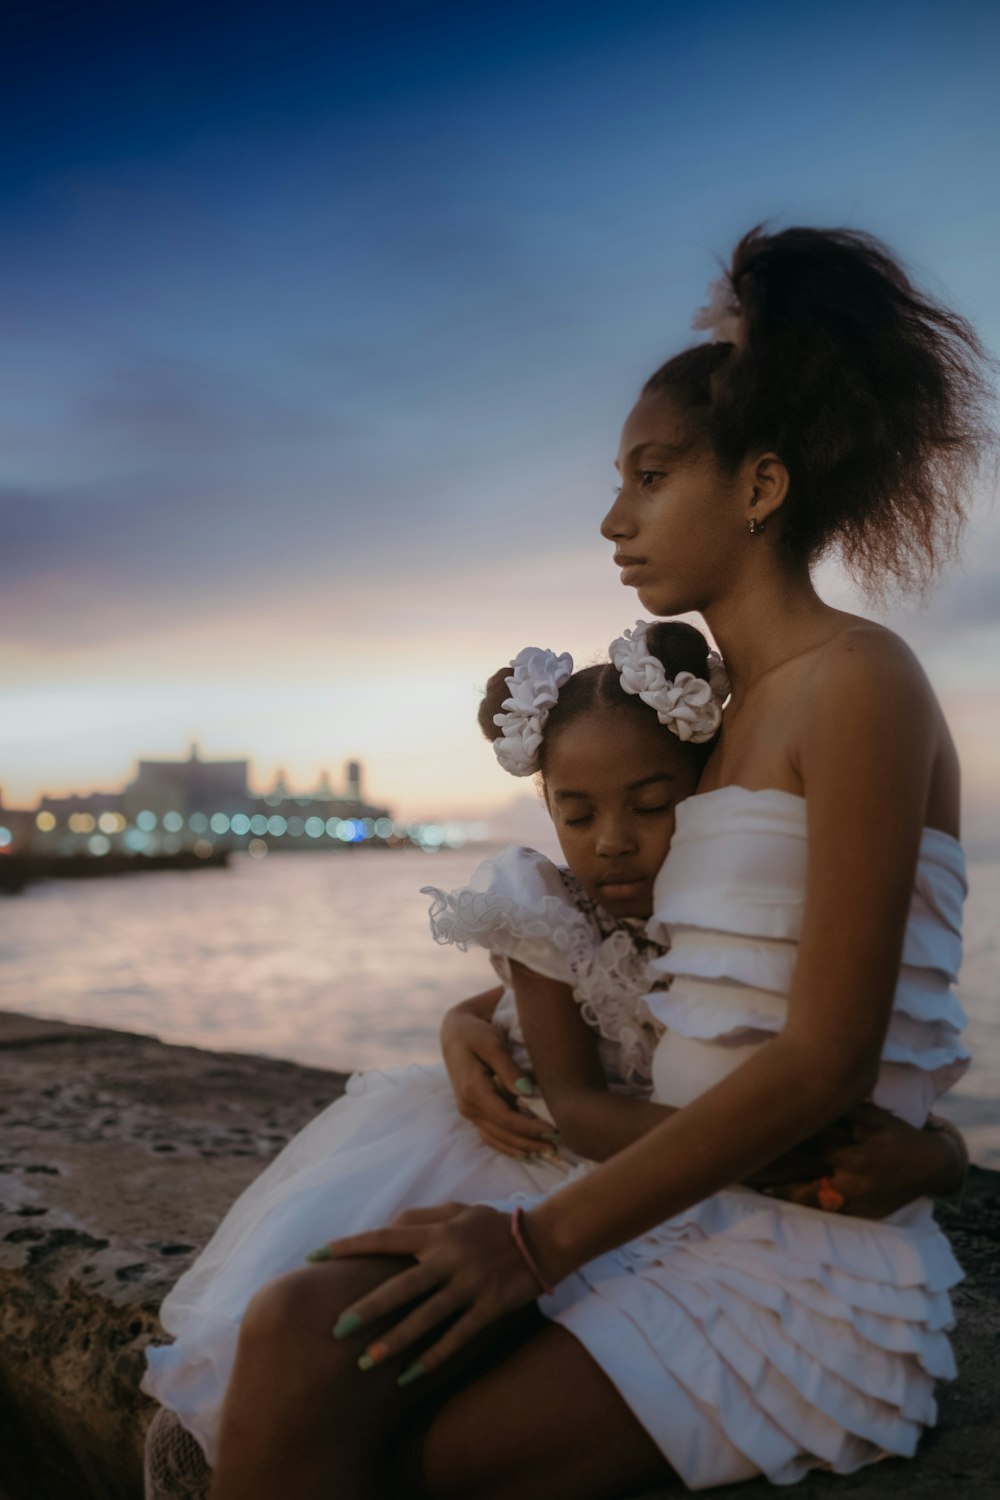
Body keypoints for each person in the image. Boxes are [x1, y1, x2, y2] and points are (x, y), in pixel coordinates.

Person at [178, 224, 993, 1499]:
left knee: (424, 1452)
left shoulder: (859, 682)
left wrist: (531, 1243)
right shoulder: (713, 720)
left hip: (795, 1262)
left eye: (652, 475)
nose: (614, 518)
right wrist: (473, 1010)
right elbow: (662, 966)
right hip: (662, 1198)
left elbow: (826, 1053)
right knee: (293, 1331)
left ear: (762, 486)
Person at [142, 623, 964, 1499]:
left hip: (642, 1191)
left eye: (652, 807)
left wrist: (940, 1150)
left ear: (708, 794)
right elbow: (574, 1105)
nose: (612, 839)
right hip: (546, 1162)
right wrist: (783, 1148)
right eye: (578, 814)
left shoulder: (736, 909)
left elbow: (840, 1054)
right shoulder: (550, 912)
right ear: (549, 809)